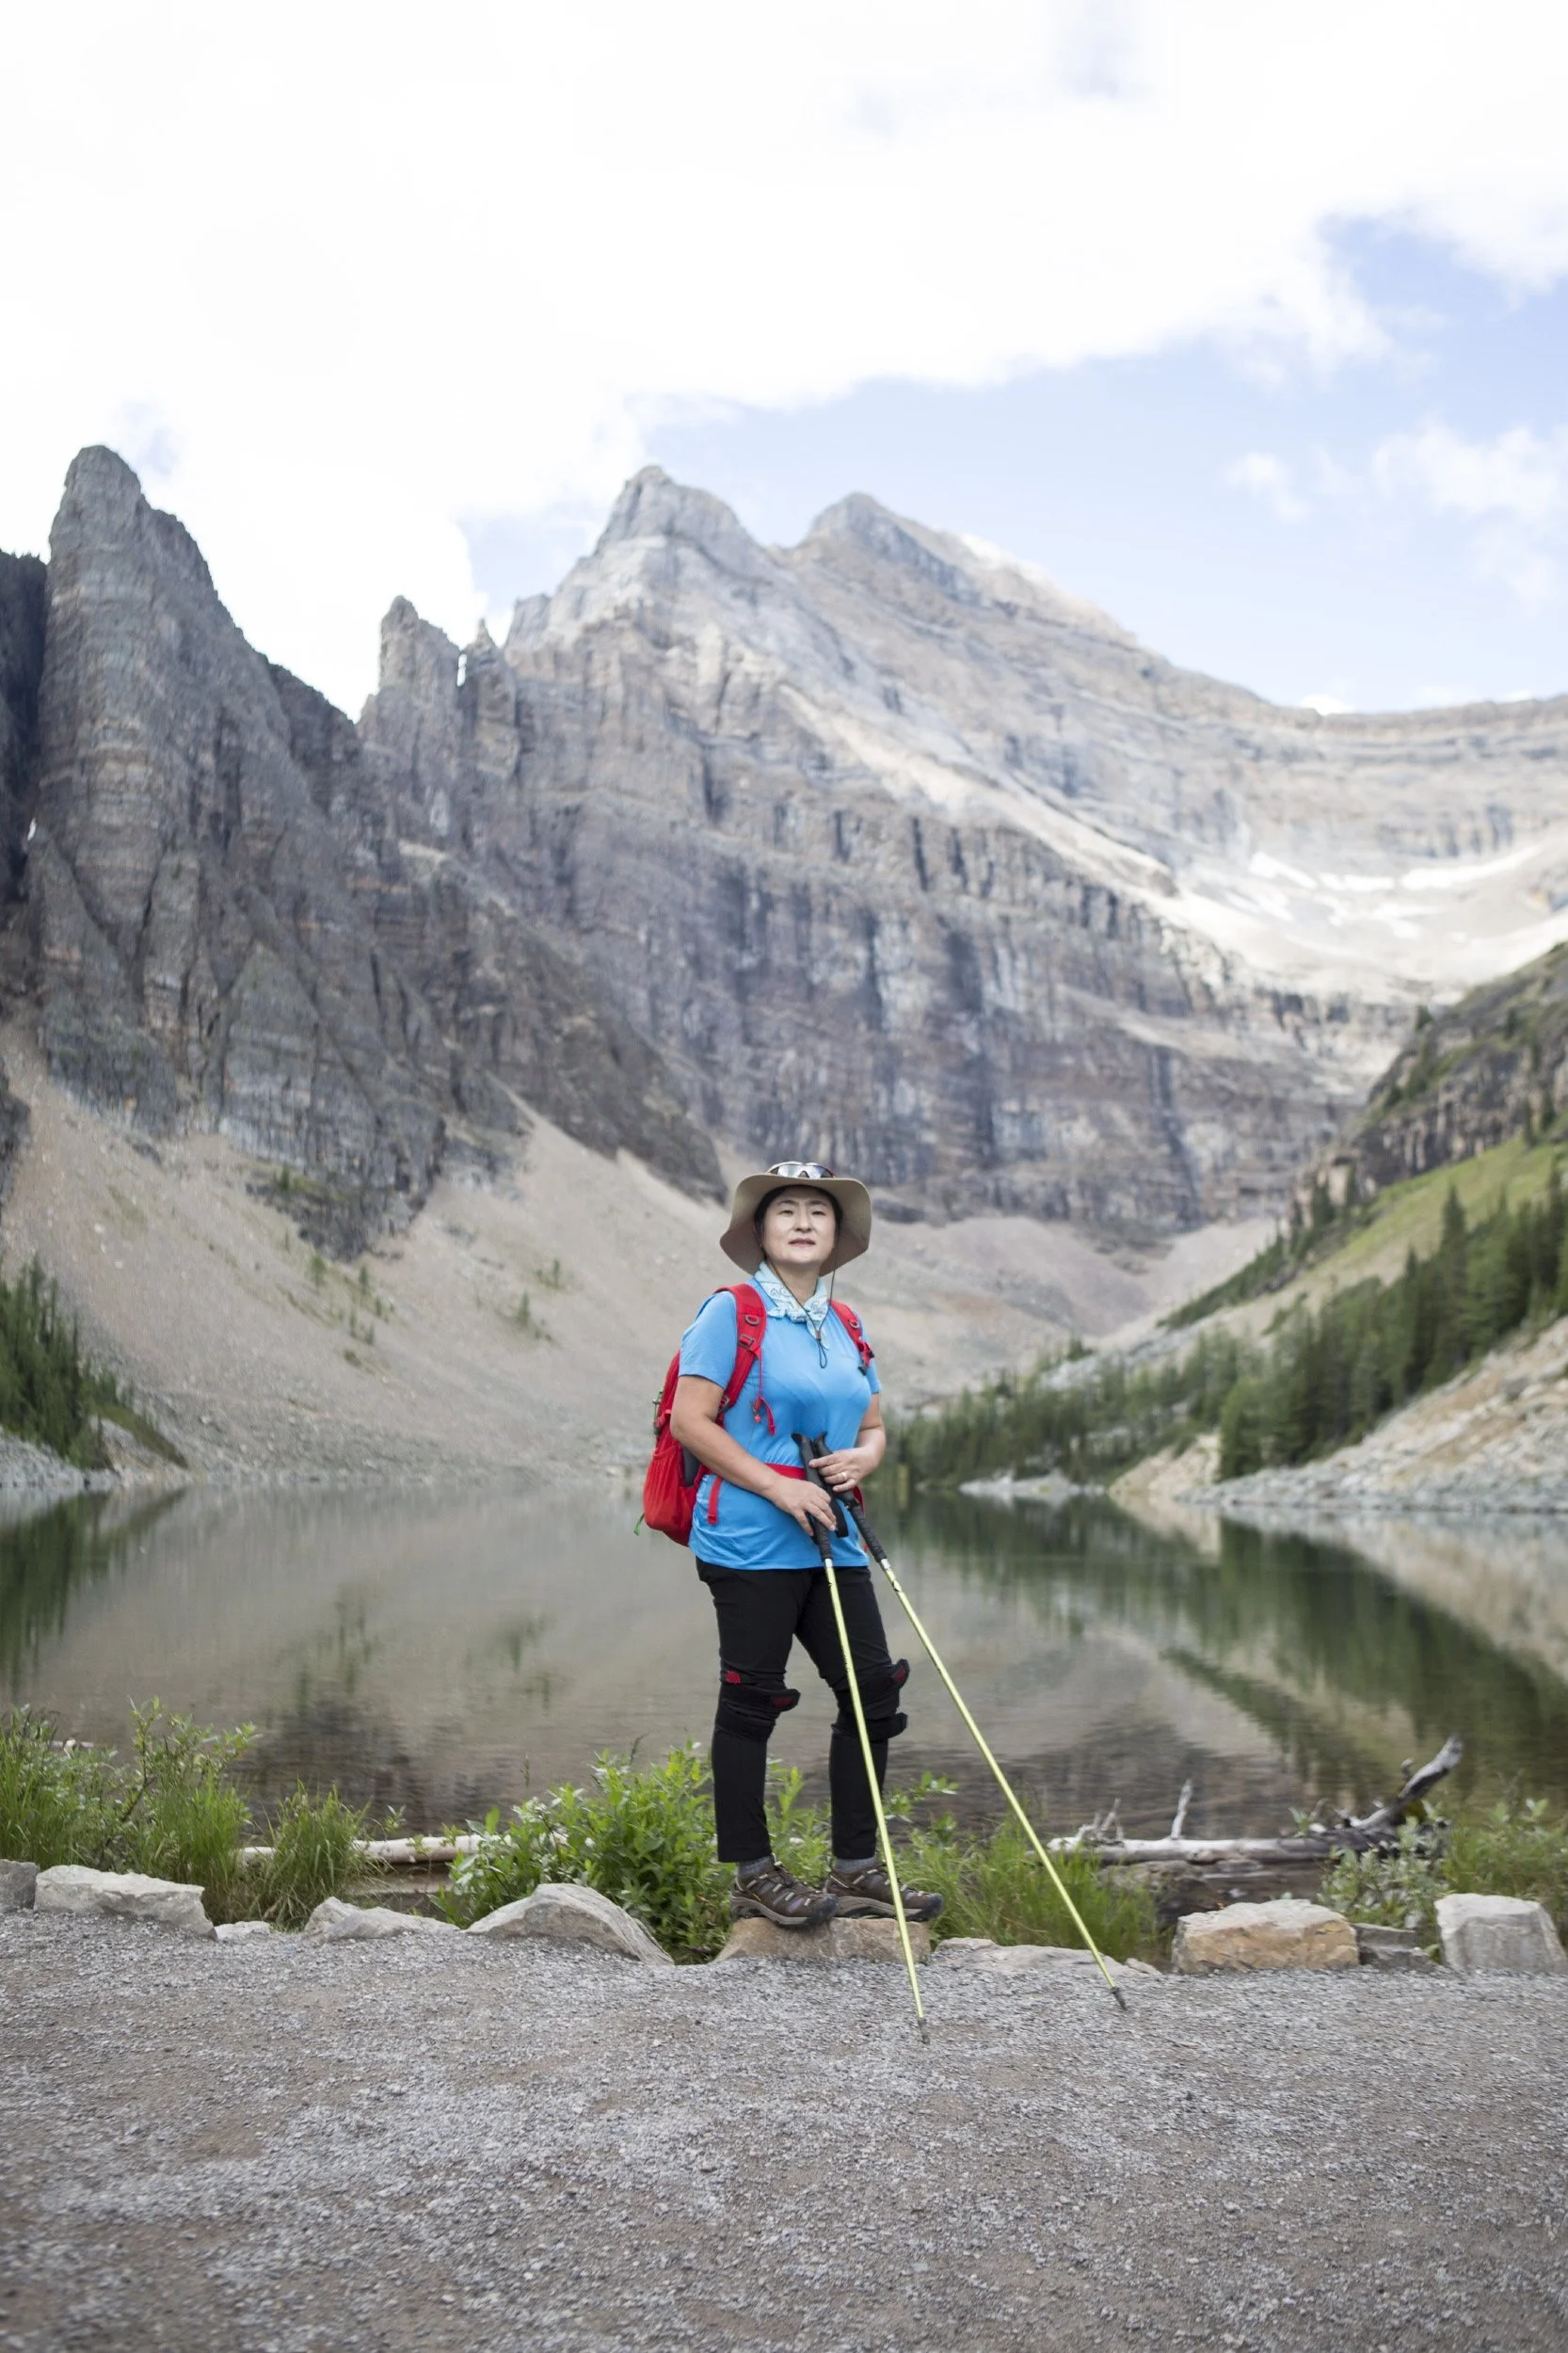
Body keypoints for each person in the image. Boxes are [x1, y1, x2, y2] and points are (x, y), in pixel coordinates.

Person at [668, 1160, 942, 1930]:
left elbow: (873, 1423)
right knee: (753, 1701)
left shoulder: (847, 1324)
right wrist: (780, 1485)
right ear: (759, 1230)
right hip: (751, 1539)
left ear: (836, 1234)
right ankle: (753, 1874)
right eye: (784, 1209)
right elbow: (692, 1422)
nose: (802, 1221)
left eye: (818, 1212)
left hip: (835, 1538)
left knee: (874, 1693)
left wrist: (865, 1457)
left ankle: (856, 1868)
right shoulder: (733, 1312)